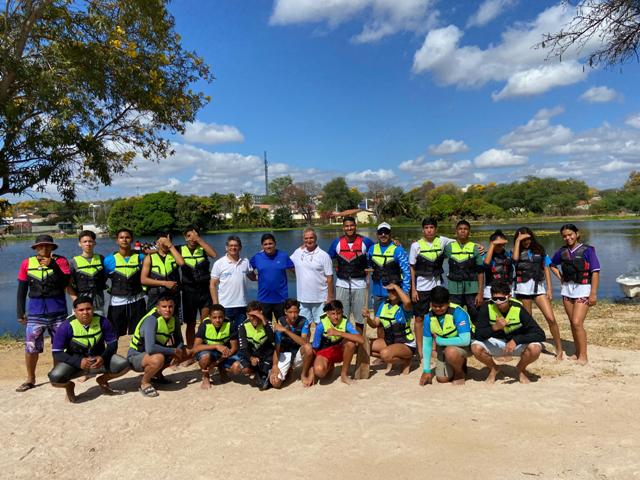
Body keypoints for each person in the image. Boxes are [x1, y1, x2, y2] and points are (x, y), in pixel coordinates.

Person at [48, 296, 129, 402]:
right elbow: (57, 353)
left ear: (93, 309)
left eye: (88, 309)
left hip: (99, 360)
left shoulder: (103, 321)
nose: (85, 312)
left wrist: (103, 357)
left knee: (124, 365)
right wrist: (78, 362)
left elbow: (112, 344)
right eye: (81, 310)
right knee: (55, 378)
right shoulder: (65, 326)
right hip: (75, 363)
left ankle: (102, 380)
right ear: (75, 311)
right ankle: (69, 386)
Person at [16, 235, 71, 392]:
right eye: (40, 246)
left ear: (53, 248)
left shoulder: (61, 262)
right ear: (35, 248)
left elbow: (66, 283)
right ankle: (30, 379)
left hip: (58, 312)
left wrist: (53, 265)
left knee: (59, 345)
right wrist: (20, 312)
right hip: (35, 313)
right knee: (31, 347)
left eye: (48, 246)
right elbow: (21, 290)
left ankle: (56, 375)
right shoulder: (27, 263)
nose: (44, 249)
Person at [471, 281, 545, 384]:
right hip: (496, 343)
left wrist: (516, 340)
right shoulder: (486, 307)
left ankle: (521, 368)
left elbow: (540, 334)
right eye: (494, 299)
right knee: (475, 347)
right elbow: (478, 335)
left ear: (509, 297)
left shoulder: (519, 309)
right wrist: (494, 328)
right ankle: (494, 368)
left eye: (501, 299)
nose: (498, 302)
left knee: (536, 348)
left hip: (515, 345)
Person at [550, 224, 600, 365]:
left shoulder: (588, 250)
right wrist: (560, 277)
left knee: (577, 322)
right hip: (567, 289)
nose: (568, 237)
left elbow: (595, 272)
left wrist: (593, 293)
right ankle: (577, 352)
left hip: (583, 288)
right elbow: (552, 264)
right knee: (572, 322)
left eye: (570, 234)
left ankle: (583, 356)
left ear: (577, 234)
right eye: (564, 236)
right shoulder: (562, 251)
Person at [513, 227, 563, 360]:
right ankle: (527, 346)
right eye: (523, 239)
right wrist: (518, 241)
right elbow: (515, 260)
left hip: (539, 289)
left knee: (551, 318)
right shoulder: (515, 251)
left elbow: (546, 269)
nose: (526, 242)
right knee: (527, 320)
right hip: (523, 289)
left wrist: (549, 288)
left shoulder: (540, 251)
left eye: (528, 238)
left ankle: (559, 348)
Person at [409, 217, 454, 359]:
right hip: (421, 287)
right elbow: (412, 268)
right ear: (423, 230)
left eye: (432, 227)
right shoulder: (416, 246)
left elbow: (460, 241)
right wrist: (413, 289)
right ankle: (420, 349)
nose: (429, 230)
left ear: (436, 229)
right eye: (426, 228)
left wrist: (477, 245)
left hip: (437, 286)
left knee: (437, 315)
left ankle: (435, 347)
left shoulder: (442, 241)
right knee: (419, 318)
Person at [127, 295, 190, 397]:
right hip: (136, 356)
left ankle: (157, 375)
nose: (167, 310)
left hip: (155, 353)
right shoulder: (151, 320)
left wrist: (177, 351)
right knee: (158, 359)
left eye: (170, 307)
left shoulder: (174, 319)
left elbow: (179, 341)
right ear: (158, 308)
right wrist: (173, 351)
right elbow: (150, 348)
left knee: (188, 351)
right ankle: (145, 383)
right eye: (164, 307)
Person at [419, 286, 472, 387]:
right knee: (442, 379)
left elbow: (465, 340)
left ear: (448, 302)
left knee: (450, 351)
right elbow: (427, 345)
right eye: (435, 306)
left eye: (441, 306)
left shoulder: (458, 312)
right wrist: (426, 370)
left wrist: (440, 341)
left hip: (464, 347)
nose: (438, 309)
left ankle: (459, 373)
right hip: (444, 348)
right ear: (430, 303)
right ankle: (456, 364)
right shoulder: (428, 318)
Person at [328, 216, 374, 329]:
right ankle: (344, 344)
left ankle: (359, 343)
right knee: (341, 318)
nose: (349, 228)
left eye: (352, 225)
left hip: (360, 285)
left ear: (355, 226)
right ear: (343, 227)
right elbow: (327, 259)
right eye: (347, 226)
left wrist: (393, 243)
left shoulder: (366, 242)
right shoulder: (336, 243)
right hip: (341, 285)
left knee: (360, 319)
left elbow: (378, 251)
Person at [306, 300, 364, 386]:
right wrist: (311, 370)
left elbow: (361, 340)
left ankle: (344, 375)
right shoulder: (320, 327)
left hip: (340, 350)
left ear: (342, 312)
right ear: (328, 314)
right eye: (333, 314)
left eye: (339, 313)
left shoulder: (345, 323)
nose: (336, 317)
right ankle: (329, 366)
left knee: (351, 343)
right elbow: (315, 348)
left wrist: (339, 333)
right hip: (324, 352)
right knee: (319, 372)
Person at [362, 283, 415, 375]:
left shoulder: (404, 307)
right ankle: (396, 357)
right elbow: (375, 324)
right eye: (389, 291)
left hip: (405, 343)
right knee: (365, 346)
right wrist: (368, 317)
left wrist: (396, 286)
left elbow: (408, 302)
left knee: (384, 354)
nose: (391, 293)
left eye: (394, 291)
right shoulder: (384, 305)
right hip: (389, 341)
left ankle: (407, 358)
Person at [179, 225, 217, 349]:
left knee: (205, 321)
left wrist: (199, 240)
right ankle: (191, 350)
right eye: (189, 236)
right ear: (185, 238)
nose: (192, 238)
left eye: (195, 235)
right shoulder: (179, 249)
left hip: (204, 291)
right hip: (188, 292)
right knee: (190, 323)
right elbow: (161, 251)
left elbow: (214, 254)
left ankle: (203, 348)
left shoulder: (203, 248)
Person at [104, 228, 147, 337]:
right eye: (121, 238)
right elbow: (102, 280)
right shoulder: (109, 260)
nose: (124, 240)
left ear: (132, 240)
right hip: (117, 302)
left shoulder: (140, 257)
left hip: (137, 300)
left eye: (127, 237)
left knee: (140, 333)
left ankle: (138, 354)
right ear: (117, 240)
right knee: (114, 334)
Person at [192, 303, 242, 389]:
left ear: (224, 316)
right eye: (214, 318)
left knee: (237, 368)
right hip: (208, 352)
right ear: (210, 317)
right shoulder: (204, 325)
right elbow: (196, 347)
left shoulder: (230, 324)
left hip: (223, 353)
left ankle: (222, 369)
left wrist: (218, 361)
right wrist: (216, 346)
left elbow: (234, 348)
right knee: (205, 357)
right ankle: (206, 377)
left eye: (220, 317)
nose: (218, 320)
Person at [290, 228, 334, 324]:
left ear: (316, 238)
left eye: (311, 238)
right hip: (303, 298)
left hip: (320, 298)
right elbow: (288, 264)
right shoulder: (298, 252)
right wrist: (298, 272)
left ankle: (320, 340)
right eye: (306, 238)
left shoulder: (324, 255)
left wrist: (330, 297)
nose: (308, 240)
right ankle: (305, 340)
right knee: (304, 326)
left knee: (322, 325)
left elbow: (330, 278)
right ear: (303, 239)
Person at [443, 220, 484, 322]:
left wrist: (480, 292)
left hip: (472, 289)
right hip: (454, 289)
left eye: (465, 229)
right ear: (456, 231)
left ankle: (476, 335)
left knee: (475, 314)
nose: (463, 231)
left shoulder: (475, 248)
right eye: (460, 229)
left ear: (469, 232)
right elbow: (435, 253)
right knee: (454, 314)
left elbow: (480, 272)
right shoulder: (449, 248)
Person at [249, 233, 294, 321]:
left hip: (281, 299)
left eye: (270, 243)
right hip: (264, 299)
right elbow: (248, 271)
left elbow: (295, 271)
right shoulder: (257, 257)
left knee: (282, 325)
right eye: (265, 244)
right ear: (262, 246)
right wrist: (256, 278)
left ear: (275, 244)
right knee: (266, 326)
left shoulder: (283, 256)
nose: (268, 246)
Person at [210, 235, 252, 330]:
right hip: (225, 305)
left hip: (242, 305)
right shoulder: (219, 263)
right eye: (231, 245)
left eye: (236, 245)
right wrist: (216, 304)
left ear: (240, 247)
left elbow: (253, 276)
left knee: (240, 332)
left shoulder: (245, 262)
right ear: (226, 247)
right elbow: (212, 285)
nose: (233, 248)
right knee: (225, 332)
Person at [368, 222, 410, 313]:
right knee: (379, 322)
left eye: (386, 232)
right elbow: (368, 265)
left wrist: (405, 292)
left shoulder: (398, 249)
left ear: (390, 234)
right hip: (377, 293)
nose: (383, 235)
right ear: (377, 234)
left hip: (394, 293)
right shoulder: (372, 249)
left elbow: (406, 272)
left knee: (394, 322)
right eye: (380, 232)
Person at [270, 298, 312, 389]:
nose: (293, 315)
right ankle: (288, 368)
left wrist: (286, 330)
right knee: (275, 383)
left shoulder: (304, 321)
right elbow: (277, 347)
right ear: (285, 311)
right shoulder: (280, 321)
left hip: (298, 353)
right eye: (290, 312)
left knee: (308, 347)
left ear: (299, 311)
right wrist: (274, 365)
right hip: (284, 353)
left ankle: (303, 374)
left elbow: (304, 342)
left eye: (296, 312)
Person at [238, 301, 277, 390]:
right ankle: (256, 373)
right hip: (253, 355)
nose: (254, 318)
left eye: (256, 315)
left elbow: (272, 340)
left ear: (261, 313)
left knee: (266, 385)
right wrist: (251, 358)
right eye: (251, 315)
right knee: (241, 369)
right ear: (247, 314)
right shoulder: (242, 326)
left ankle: (263, 373)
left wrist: (263, 320)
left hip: (267, 355)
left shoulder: (268, 323)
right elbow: (243, 347)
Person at [140, 232, 185, 310]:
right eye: (164, 242)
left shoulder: (175, 254)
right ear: (157, 242)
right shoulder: (149, 258)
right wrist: (164, 283)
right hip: (155, 296)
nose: (166, 244)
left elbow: (181, 263)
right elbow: (143, 280)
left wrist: (170, 246)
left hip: (173, 295)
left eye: (168, 242)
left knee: (175, 320)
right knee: (154, 320)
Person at [68, 230, 107, 314]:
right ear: (80, 244)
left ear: (94, 243)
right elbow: (68, 285)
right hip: (80, 306)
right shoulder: (73, 262)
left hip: (98, 305)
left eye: (90, 241)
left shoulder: (101, 259)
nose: (88, 244)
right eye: (85, 241)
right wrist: (76, 300)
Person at [482, 229, 513, 300]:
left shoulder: (508, 255)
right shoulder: (486, 256)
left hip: (506, 287)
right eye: (498, 244)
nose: (501, 247)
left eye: (503, 245)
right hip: (490, 288)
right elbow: (486, 263)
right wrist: (492, 244)